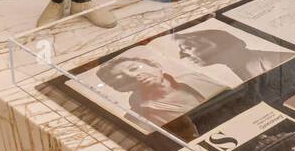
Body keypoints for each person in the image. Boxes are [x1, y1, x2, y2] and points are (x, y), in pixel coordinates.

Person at [95, 55, 224, 128]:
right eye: (121, 79)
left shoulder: (197, 78)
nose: (134, 76)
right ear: (120, 88)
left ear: (155, 65)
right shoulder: (136, 118)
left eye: (134, 68)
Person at [174, 27, 294, 81]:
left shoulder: (271, 63)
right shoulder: (236, 69)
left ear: (214, 44)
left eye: (187, 47)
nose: (182, 56)